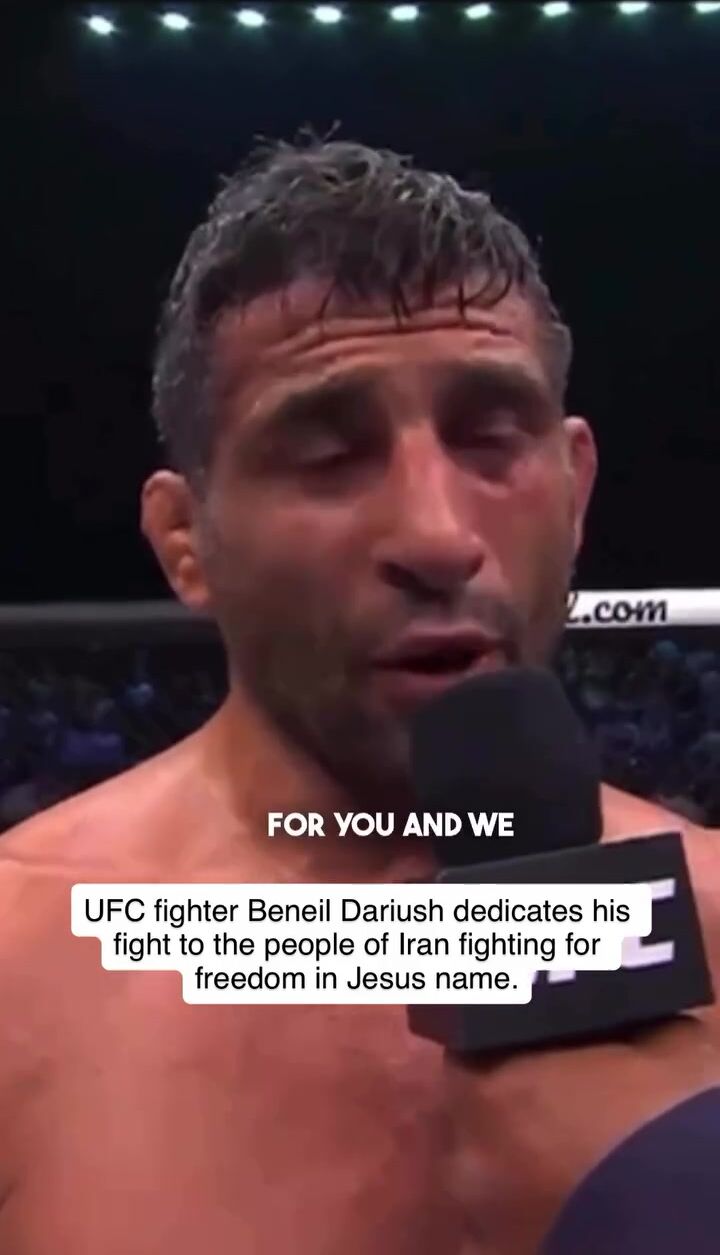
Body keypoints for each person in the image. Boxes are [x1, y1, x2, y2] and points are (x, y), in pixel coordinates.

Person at [0, 137, 718, 1255]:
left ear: (575, 490)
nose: (437, 534)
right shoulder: (20, 957)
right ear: (184, 540)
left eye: (492, 440)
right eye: (329, 456)